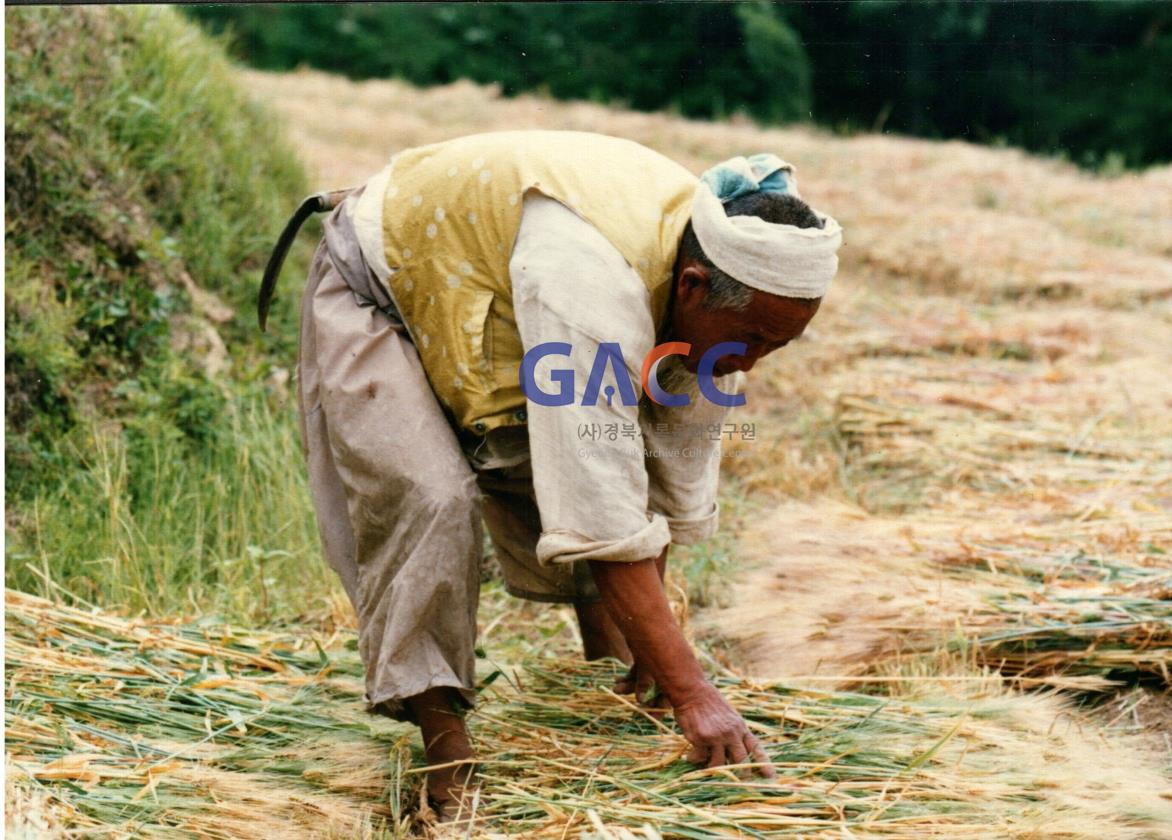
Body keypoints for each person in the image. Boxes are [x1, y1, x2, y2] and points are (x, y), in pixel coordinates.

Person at [287, 130, 841, 821]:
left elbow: (657, 483)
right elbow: (603, 513)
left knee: (604, 464)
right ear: (694, 288)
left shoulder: (709, 295)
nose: (752, 364)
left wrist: (655, 658)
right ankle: (445, 746)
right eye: (753, 339)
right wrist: (694, 693)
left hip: (490, 295)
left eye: (776, 346)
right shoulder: (588, 286)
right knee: (432, 499)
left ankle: (608, 687)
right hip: (385, 282)